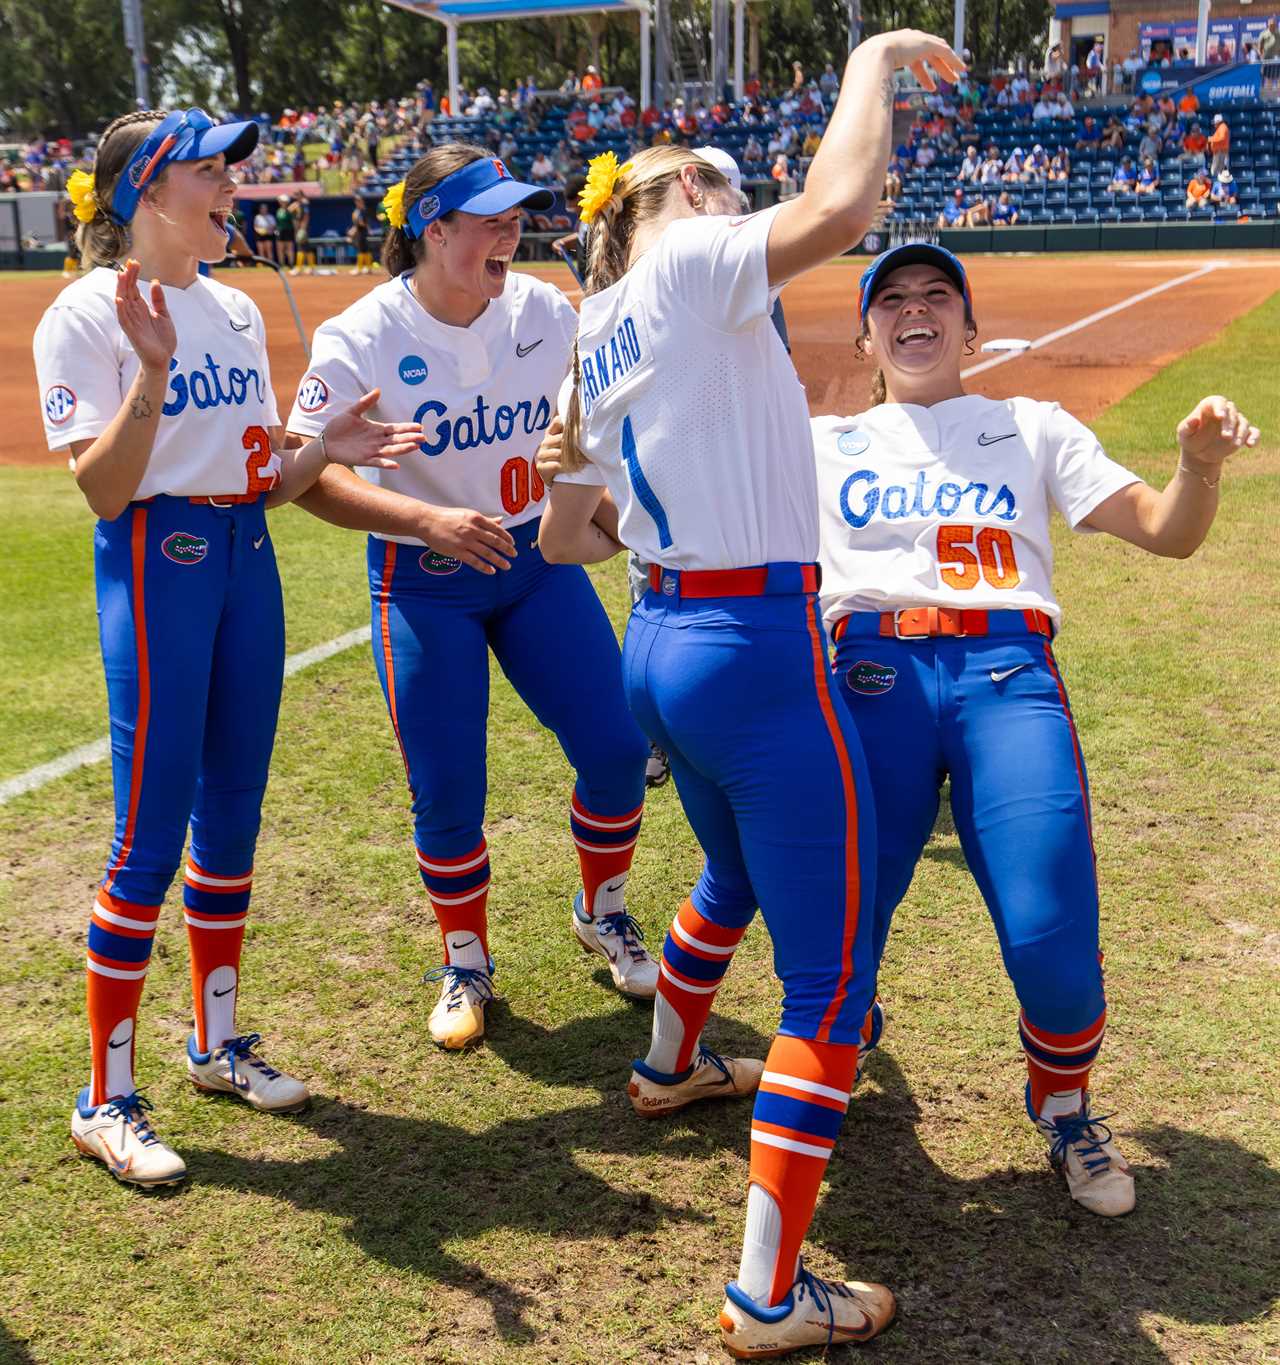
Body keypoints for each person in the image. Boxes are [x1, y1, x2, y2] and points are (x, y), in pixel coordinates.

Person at [535, 29, 965, 1358]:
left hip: (659, 638)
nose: (733, 194)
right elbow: (838, 205)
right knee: (831, 992)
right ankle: (767, 1295)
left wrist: (569, 471)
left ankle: (670, 1063)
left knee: (726, 873)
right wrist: (874, 53)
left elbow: (568, 542)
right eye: (711, 181)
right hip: (753, 647)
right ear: (665, 211)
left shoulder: (601, 326)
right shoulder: (689, 270)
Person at [814, 241, 1258, 1220]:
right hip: (864, 680)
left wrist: (1195, 466)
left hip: (1003, 675)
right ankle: (837, 1040)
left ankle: (1060, 1102)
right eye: (891, 299)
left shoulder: (1028, 424)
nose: (915, 309)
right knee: (838, 924)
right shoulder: (817, 444)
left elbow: (1165, 528)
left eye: (937, 295)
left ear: (970, 329)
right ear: (865, 333)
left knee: (1051, 933)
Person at [32, 107, 425, 1189]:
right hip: (161, 565)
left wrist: (321, 449)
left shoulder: (238, 312)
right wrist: (151, 370)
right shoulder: (85, 314)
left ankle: (214, 1044)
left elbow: (259, 483)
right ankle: (103, 1098)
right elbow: (106, 491)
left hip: (245, 559)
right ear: (146, 193)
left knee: (233, 818)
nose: (231, 190)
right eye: (209, 172)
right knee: (146, 839)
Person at [285, 145, 655, 1050]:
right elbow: (303, 477)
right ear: (431, 229)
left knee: (616, 749)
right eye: (486, 219)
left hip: (535, 567)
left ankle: (601, 911)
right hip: (424, 583)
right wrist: (424, 520)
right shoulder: (359, 336)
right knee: (449, 791)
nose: (510, 232)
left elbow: (579, 437)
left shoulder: (542, 311)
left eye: (515, 215)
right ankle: (465, 959)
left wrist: (608, 519)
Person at [290, 192, 314, 275]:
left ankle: (299, 268)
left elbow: (306, 217)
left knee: (301, 247)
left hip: (303, 229)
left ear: (302, 195)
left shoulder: (304, 204)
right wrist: (295, 205)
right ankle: (311, 268)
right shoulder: (298, 204)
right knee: (306, 247)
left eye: (298, 194)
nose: (296, 196)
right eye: (295, 195)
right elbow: (289, 210)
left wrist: (303, 229)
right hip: (300, 229)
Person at [347, 201, 372, 274]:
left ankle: (359, 268)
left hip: (361, 233)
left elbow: (361, 222)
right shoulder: (359, 211)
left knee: (361, 250)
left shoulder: (362, 211)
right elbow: (359, 223)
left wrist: (355, 229)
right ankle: (368, 268)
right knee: (364, 250)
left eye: (359, 202)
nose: (358, 204)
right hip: (361, 232)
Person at [1209, 114, 1230, 178]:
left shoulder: (1222, 127)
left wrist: (1211, 139)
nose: (1214, 124)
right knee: (1217, 171)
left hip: (1221, 153)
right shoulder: (1220, 128)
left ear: (1218, 121)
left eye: (1215, 122)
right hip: (1219, 152)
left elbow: (1221, 138)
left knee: (1218, 172)